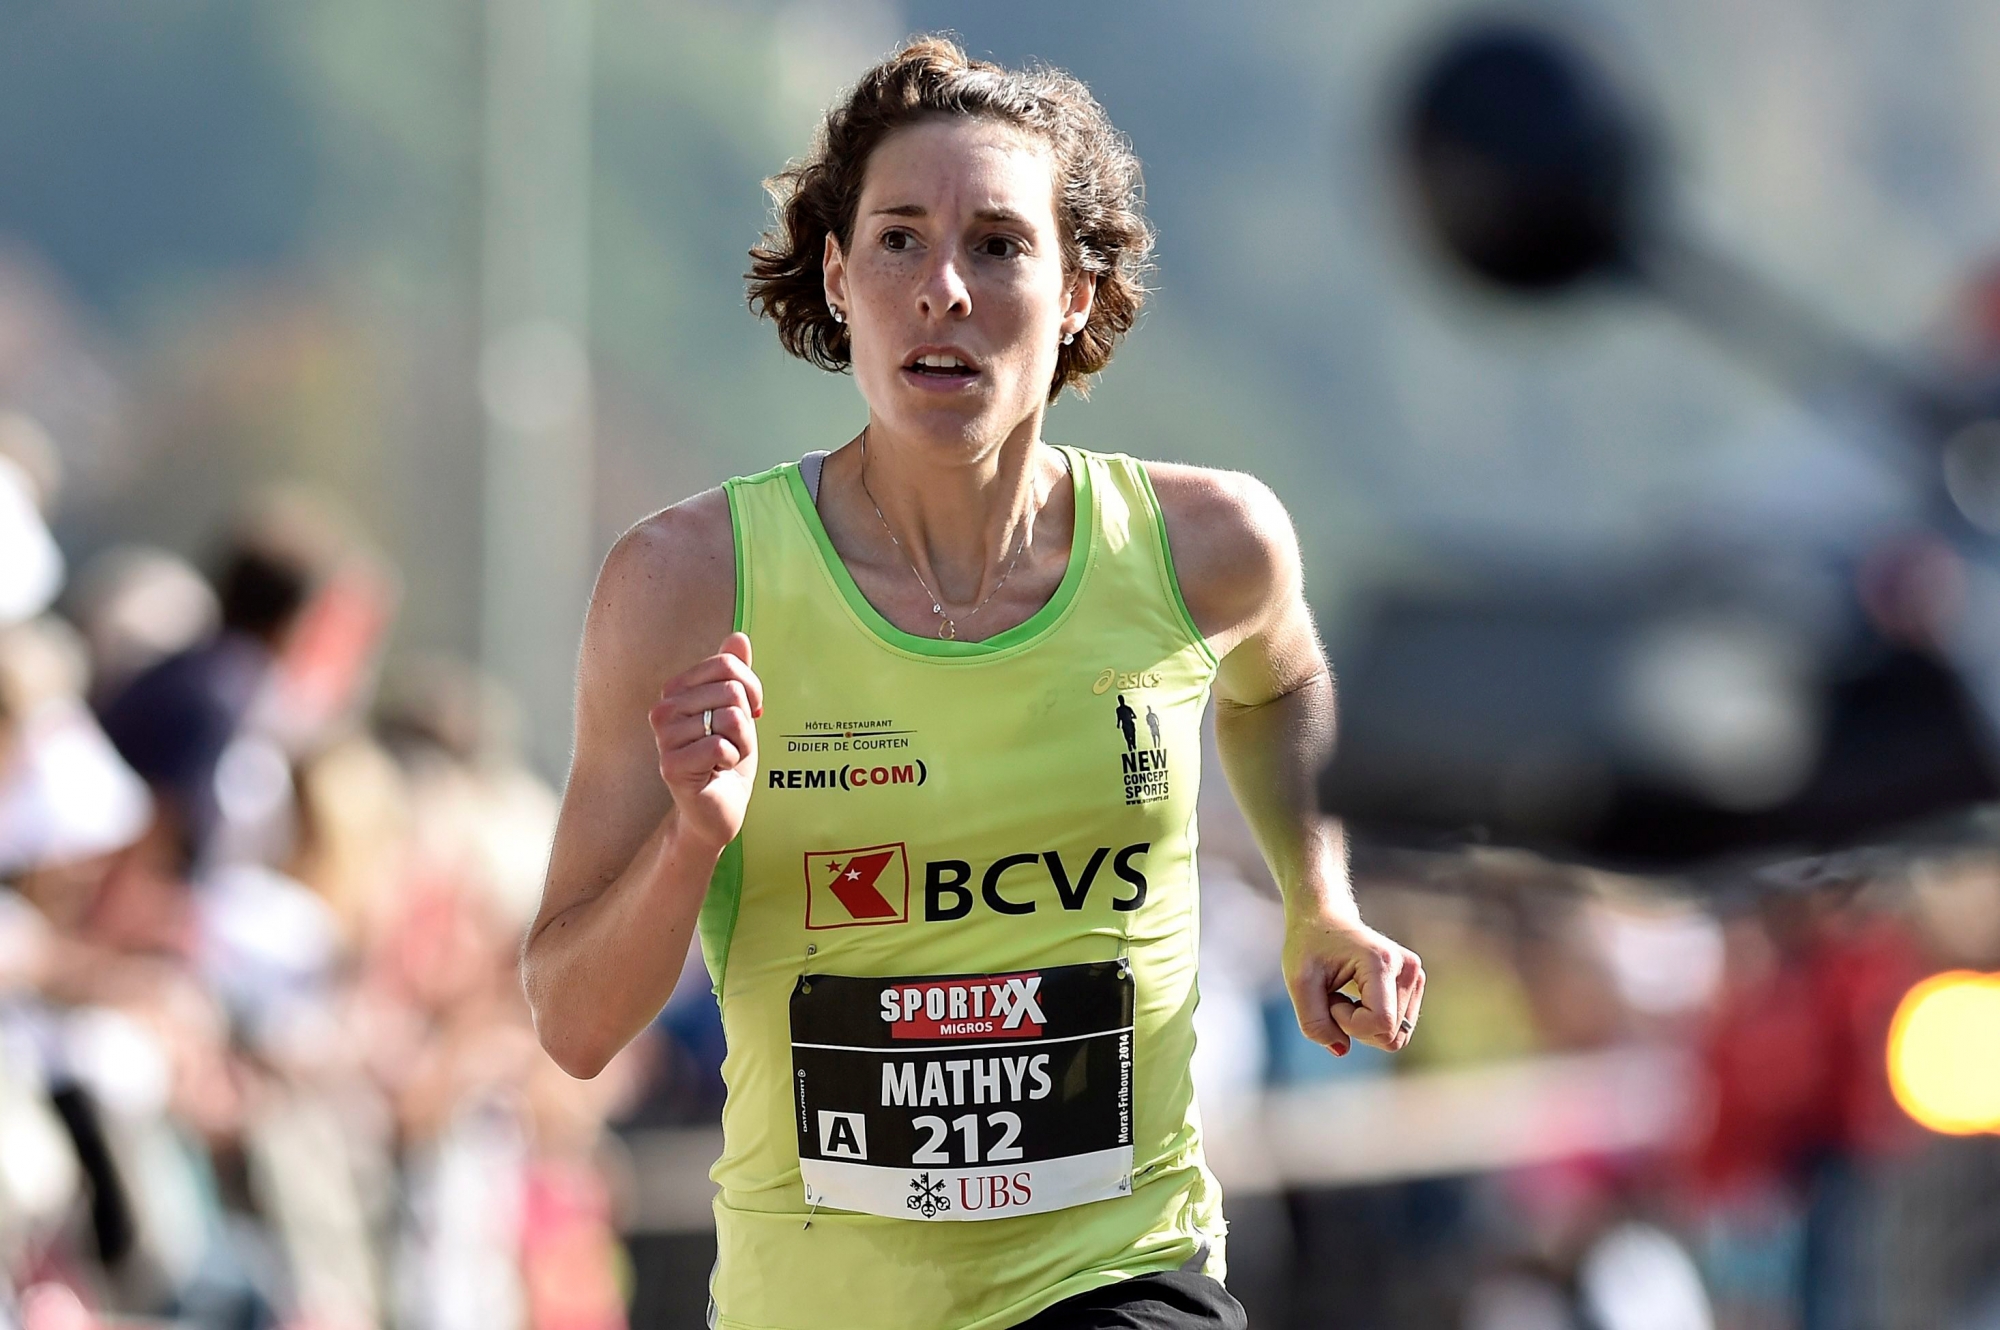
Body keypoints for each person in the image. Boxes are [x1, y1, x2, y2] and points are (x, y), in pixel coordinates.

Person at [522, 37, 1424, 1330]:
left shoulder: (1206, 546)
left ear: (1076, 293)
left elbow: (1279, 683)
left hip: (1119, 1274)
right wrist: (692, 839)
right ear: (838, 277)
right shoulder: (689, 583)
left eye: (998, 245)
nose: (943, 287)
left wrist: (1317, 898)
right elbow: (569, 1023)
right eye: (898, 240)